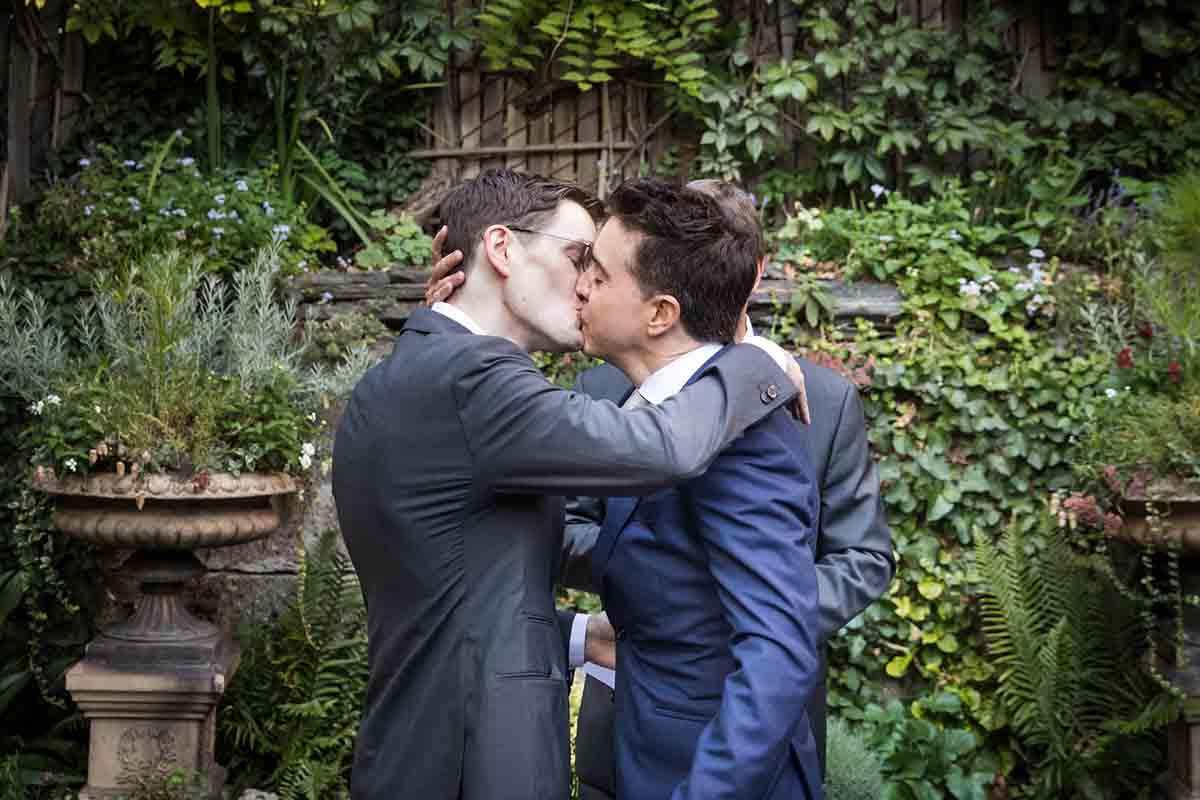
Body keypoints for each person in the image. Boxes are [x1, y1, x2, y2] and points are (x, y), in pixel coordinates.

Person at [333, 169, 808, 800]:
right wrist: (754, 359)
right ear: (502, 250)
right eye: (577, 257)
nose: (584, 283)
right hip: (475, 764)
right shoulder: (468, 380)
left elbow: (468, 587)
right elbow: (664, 447)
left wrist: (585, 634)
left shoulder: (418, 369)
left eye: (597, 268)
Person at [562, 180, 895, 800]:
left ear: (661, 313)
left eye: (600, 276)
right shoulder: (651, 405)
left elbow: (776, 651)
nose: (580, 286)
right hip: (645, 743)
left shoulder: (741, 437)